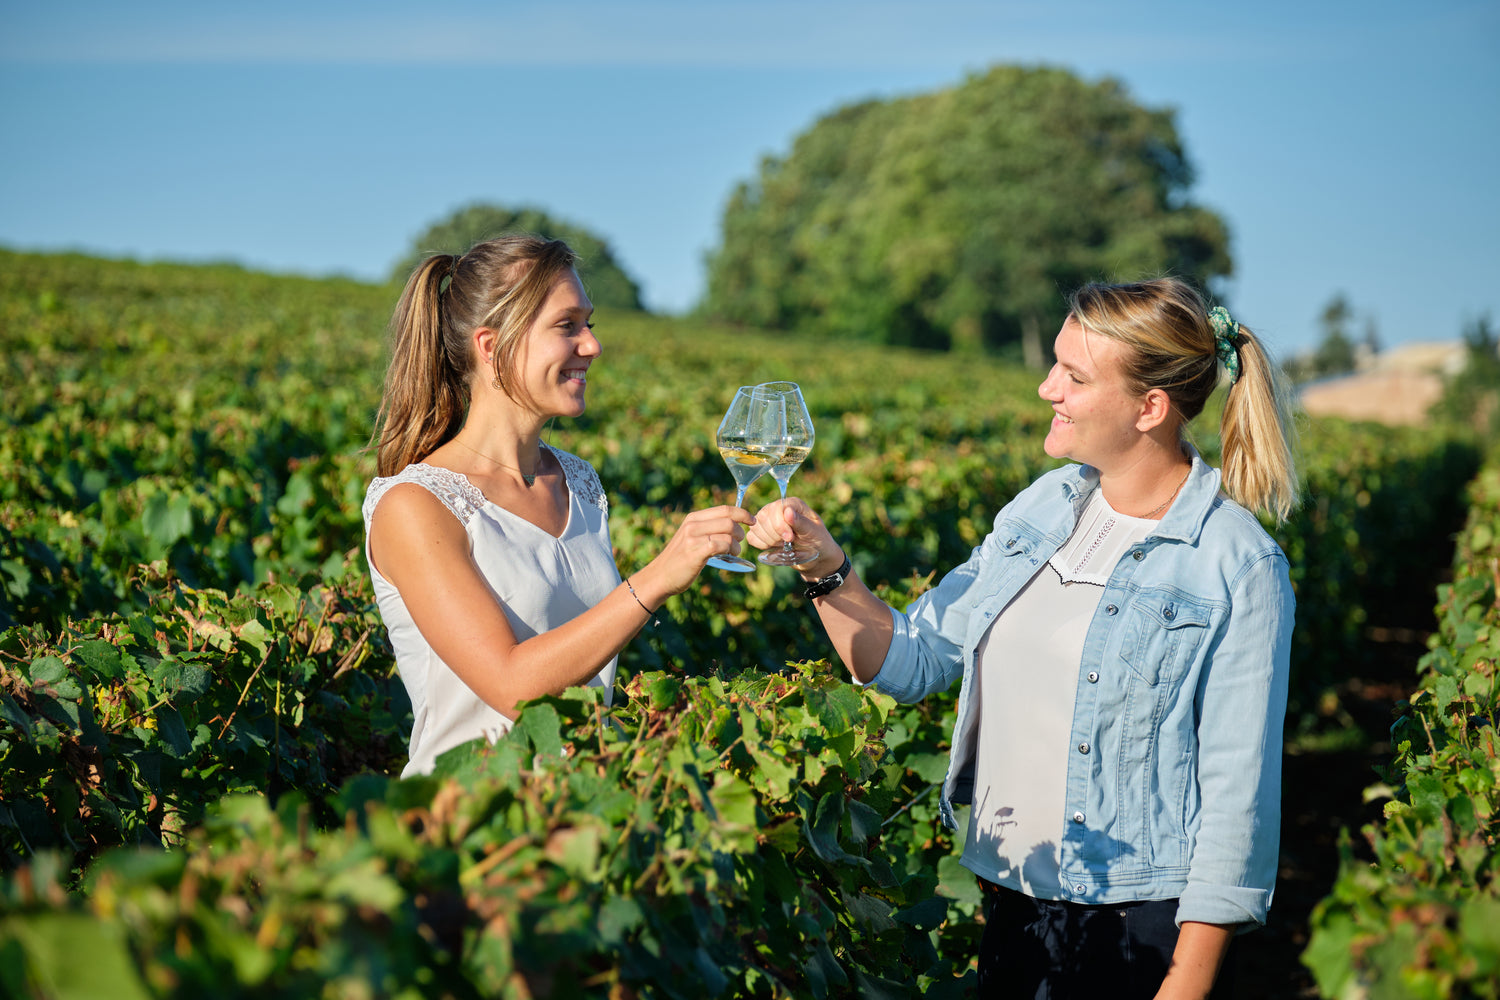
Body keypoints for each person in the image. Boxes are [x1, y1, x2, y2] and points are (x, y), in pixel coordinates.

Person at [748, 278, 1298, 999]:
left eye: (1072, 375)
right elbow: (914, 660)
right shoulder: (1044, 504)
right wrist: (825, 569)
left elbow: (1237, 803)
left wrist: (1183, 989)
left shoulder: (1236, 561)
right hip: (1013, 909)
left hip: (1135, 931)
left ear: (1149, 408)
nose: (1047, 388)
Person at [363, 236, 752, 777]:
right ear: (491, 346)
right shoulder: (415, 505)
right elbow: (513, 685)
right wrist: (658, 576)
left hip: (578, 818)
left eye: (590, 324)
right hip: (470, 827)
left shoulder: (579, 481)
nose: (592, 346)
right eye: (567, 326)